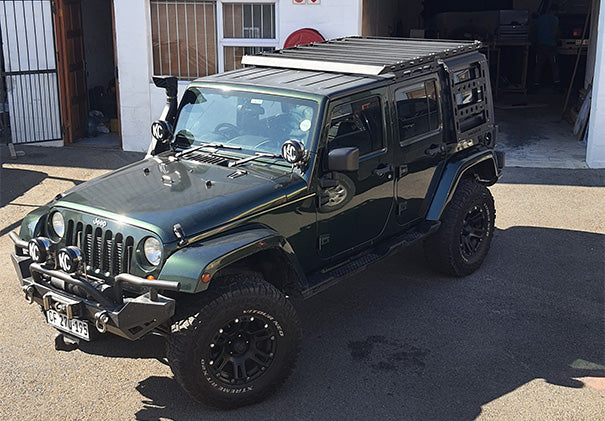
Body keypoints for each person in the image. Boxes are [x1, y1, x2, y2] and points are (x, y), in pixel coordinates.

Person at [532, 4, 561, 91]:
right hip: (551, 45)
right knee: (554, 65)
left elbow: (535, 30)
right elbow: (555, 32)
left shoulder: (540, 18)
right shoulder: (555, 19)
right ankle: (557, 84)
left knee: (538, 65)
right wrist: (557, 40)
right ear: (555, 11)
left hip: (541, 45)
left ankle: (535, 84)